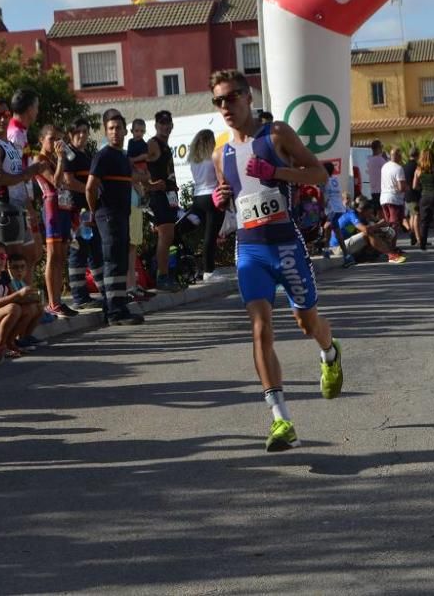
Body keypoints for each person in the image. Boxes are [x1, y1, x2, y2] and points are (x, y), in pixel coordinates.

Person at [209, 68, 344, 452]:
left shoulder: (277, 134)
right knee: (260, 328)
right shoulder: (222, 153)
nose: (226, 106)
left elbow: (319, 173)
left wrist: (276, 171)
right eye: (218, 101)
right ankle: (281, 419)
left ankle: (330, 352)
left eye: (232, 97)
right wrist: (222, 202)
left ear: (248, 97)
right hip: (250, 248)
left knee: (307, 322)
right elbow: (232, 203)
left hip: (287, 245)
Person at [87, 110, 146, 325]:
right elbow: (90, 187)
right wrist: (95, 211)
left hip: (123, 215)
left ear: (124, 130)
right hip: (108, 216)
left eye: (118, 128)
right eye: (110, 128)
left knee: (121, 261)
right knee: (112, 261)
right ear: (105, 131)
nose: (115, 132)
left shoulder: (122, 157)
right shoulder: (103, 155)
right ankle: (113, 312)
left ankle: (120, 306)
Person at [0, 98, 48, 278]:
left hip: (17, 207)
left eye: (6, 114)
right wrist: (28, 173)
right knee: (14, 261)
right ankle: (16, 301)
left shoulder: (8, 144)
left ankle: (28, 300)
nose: (3, 119)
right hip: (4, 207)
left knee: (31, 256)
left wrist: (29, 208)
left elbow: (19, 178)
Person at [34, 125, 78, 318]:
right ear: (41, 140)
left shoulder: (54, 158)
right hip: (52, 209)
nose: (56, 143)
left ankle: (58, 300)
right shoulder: (41, 160)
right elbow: (56, 181)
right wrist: (60, 159)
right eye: (51, 139)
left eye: (59, 139)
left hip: (65, 208)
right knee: (53, 255)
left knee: (61, 256)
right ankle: (52, 302)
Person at [62, 118, 105, 310]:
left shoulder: (85, 155)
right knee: (78, 252)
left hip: (90, 211)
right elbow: (68, 181)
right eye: (77, 131)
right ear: (70, 134)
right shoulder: (69, 155)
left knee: (95, 251)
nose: (81, 135)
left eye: (84, 131)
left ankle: (106, 292)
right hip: (76, 211)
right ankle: (79, 297)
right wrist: (90, 190)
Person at [7, 89, 44, 282]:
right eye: (36, 107)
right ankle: (24, 301)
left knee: (33, 254)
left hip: (24, 200)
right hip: (16, 203)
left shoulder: (21, 132)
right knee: (25, 256)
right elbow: (15, 172)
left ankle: (30, 301)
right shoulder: (14, 135)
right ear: (29, 109)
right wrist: (27, 203)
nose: (37, 111)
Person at [146, 110, 181, 292]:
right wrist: (150, 184)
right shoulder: (153, 144)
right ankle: (162, 276)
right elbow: (136, 163)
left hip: (169, 195)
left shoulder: (166, 146)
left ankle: (163, 272)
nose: (165, 126)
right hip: (159, 196)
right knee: (165, 235)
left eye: (168, 123)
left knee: (169, 236)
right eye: (161, 123)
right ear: (156, 125)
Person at [188, 129, 226, 282]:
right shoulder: (213, 158)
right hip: (212, 197)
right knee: (210, 236)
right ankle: (209, 271)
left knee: (203, 236)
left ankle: (200, 268)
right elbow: (220, 177)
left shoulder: (193, 160)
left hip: (198, 198)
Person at [126, 119, 155, 299]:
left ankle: (133, 285)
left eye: (141, 131)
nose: (139, 134)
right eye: (136, 130)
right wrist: (138, 180)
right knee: (129, 245)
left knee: (133, 245)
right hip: (130, 203)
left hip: (136, 203)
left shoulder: (143, 145)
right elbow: (133, 169)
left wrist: (144, 181)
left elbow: (147, 172)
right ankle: (129, 286)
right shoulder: (127, 152)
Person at [331, 200, 400, 263]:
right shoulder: (352, 215)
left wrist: (379, 226)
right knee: (367, 233)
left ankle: (368, 255)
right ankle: (391, 254)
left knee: (380, 233)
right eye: (370, 213)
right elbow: (366, 230)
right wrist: (379, 224)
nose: (371, 215)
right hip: (338, 248)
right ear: (364, 211)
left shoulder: (360, 217)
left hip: (345, 244)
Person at [6, 252, 46, 350]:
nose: (19, 270)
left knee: (40, 309)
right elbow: (18, 299)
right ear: (8, 268)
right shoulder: (10, 282)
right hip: (13, 311)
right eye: (15, 267)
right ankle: (19, 338)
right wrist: (33, 299)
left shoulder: (21, 282)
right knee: (30, 309)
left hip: (19, 308)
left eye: (22, 267)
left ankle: (27, 336)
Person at [413, 149, 434, 251]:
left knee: (424, 222)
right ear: (433, 157)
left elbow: (414, 186)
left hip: (424, 197)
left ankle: (422, 245)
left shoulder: (418, 170)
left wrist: (422, 188)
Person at [379, 147, 408, 263]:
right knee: (394, 226)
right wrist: (407, 187)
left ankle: (390, 249)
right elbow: (401, 188)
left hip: (384, 198)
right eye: (400, 155)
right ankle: (391, 253)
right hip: (394, 199)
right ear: (398, 156)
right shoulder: (399, 168)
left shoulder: (385, 166)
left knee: (389, 225)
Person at [321, 161, 351, 265]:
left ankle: (345, 255)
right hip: (338, 208)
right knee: (332, 230)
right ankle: (327, 250)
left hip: (333, 209)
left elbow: (322, 195)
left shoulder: (324, 180)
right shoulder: (335, 179)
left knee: (328, 227)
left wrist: (322, 207)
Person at [402, 148, 421, 247]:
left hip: (407, 195)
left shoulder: (404, 167)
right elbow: (418, 182)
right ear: (417, 155)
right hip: (415, 195)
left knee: (412, 216)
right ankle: (418, 239)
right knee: (416, 216)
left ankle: (413, 237)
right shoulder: (416, 167)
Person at [366, 140, 387, 210]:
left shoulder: (369, 159)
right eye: (381, 147)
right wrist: (385, 159)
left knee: (378, 211)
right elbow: (388, 169)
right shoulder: (380, 159)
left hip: (373, 190)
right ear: (378, 148)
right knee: (383, 212)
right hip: (381, 190)